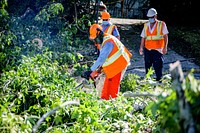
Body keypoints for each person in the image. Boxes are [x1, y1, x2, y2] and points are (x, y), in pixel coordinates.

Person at [83, 24, 132, 100]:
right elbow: (105, 60)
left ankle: (114, 103)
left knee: (112, 88)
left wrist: (91, 70)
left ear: (99, 34)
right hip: (113, 64)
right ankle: (105, 100)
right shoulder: (103, 41)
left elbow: (101, 59)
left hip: (119, 64)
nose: (95, 42)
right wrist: (97, 71)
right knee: (106, 85)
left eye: (95, 39)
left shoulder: (108, 43)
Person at [139, 8, 169, 81]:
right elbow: (143, 37)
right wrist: (141, 48)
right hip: (148, 49)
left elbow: (165, 36)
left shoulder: (161, 24)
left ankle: (159, 80)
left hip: (158, 50)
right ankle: (147, 81)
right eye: (149, 17)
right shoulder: (146, 25)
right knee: (148, 66)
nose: (150, 19)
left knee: (158, 67)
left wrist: (165, 47)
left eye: (152, 17)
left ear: (155, 16)